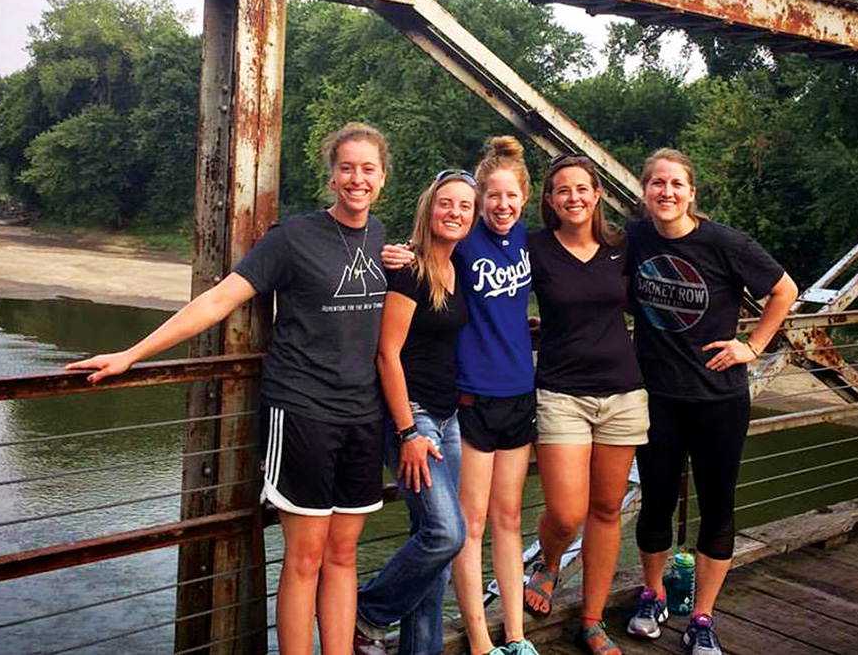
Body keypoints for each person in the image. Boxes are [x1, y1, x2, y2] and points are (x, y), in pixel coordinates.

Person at [65, 122, 393, 655]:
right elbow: (218, 302)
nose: (358, 178)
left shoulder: (380, 238)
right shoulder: (291, 239)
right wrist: (132, 353)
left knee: (344, 556)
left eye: (368, 169)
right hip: (303, 411)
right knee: (305, 557)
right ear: (331, 176)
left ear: (383, 177)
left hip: (362, 412)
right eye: (347, 168)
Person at [625, 148, 798, 655]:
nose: (666, 192)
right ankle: (652, 595)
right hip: (656, 396)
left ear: (692, 192)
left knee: (718, 506)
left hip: (718, 399)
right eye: (657, 183)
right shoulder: (634, 239)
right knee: (655, 502)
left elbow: (785, 289)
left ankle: (702, 616)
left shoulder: (725, 242)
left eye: (676, 184)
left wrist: (754, 346)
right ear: (644, 191)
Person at [382, 136, 540, 655]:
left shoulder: (526, 241)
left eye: (510, 196)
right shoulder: (461, 242)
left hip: (519, 395)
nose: (501, 205)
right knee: (458, 529)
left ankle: (514, 638)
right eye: (489, 196)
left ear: (525, 197)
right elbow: (421, 251)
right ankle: (478, 642)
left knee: (509, 520)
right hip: (466, 400)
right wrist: (391, 253)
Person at [523, 154, 648, 655]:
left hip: (623, 391)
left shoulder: (623, 248)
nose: (573, 197)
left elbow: (677, 267)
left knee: (605, 509)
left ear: (597, 194)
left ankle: (593, 620)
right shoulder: (534, 248)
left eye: (582, 188)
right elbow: (477, 274)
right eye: (562, 190)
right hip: (561, 392)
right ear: (550, 201)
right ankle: (547, 562)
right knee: (567, 511)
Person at [354, 169, 477, 655]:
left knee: (436, 549)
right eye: (446, 203)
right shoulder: (408, 270)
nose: (455, 213)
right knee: (447, 533)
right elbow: (388, 354)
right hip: (415, 417)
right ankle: (366, 613)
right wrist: (407, 430)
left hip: (448, 418)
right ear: (429, 209)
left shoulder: (457, 266)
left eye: (464, 206)